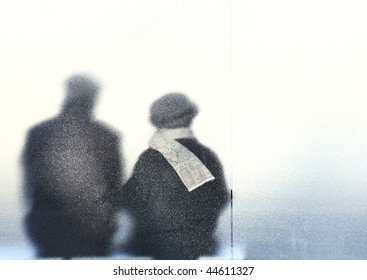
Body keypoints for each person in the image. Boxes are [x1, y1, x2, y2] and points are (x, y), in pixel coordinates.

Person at [22, 74, 125, 259]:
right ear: (93, 98)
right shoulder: (107, 137)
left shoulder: (38, 134)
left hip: (48, 230)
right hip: (93, 233)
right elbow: (114, 189)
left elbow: (31, 186)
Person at [119, 93, 229, 260]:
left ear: (156, 122)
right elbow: (221, 198)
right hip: (199, 246)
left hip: (156, 248)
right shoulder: (207, 156)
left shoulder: (149, 158)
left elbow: (128, 201)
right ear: (190, 118)